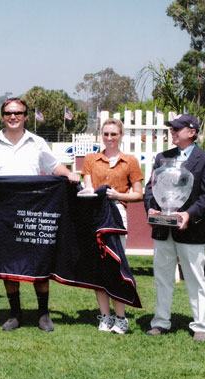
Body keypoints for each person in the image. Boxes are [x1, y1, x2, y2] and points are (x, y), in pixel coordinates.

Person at [0, 98, 80, 332]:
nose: (13, 117)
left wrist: (68, 174)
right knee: (7, 264)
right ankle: (15, 314)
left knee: (39, 262)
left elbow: (54, 166)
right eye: (9, 113)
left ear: (25, 116)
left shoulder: (38, 142)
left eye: (18, 113)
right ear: (2, 116)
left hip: (33, 211)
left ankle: (43, 314)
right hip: (4, 213)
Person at [144, 114, 205, 342]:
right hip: (162, 228)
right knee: (162, 277)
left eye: (177, 128)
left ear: (192, 131)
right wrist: (151, 208)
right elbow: (150, 189)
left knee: (195, 278)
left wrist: (188, 214)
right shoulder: (162, 158)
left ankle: (200, 326)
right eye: (171, 128)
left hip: (191, 229)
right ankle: (160, 321)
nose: (173, 132)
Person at [80, 118, 143, 334]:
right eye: (106, 134)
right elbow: (88, 189)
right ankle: (105, 316)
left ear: (121, 135)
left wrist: (118, 194)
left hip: (117, 214)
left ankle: (121, 317)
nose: (109, 138)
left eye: (113, 134)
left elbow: (138, 193)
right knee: (99, 266)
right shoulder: (90, 160)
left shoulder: (130, 161)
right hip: (95, 215)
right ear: (101, 135)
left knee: (116, 264)